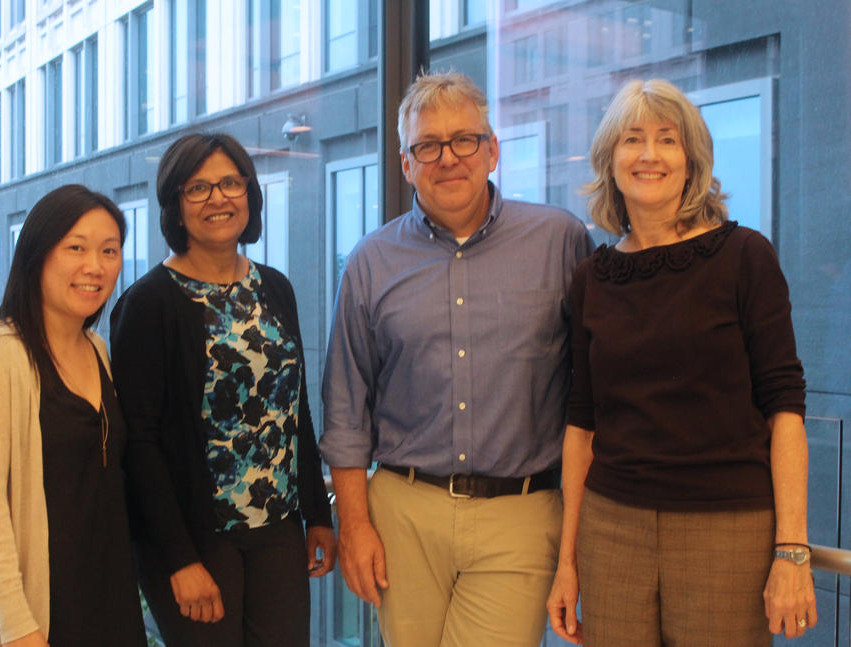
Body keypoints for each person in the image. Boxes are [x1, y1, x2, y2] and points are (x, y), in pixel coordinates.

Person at [319, 71, 594, 647]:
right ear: (406, 164)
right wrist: (355, 524)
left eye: (464, 140)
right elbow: (346, 407)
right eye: (428, 145)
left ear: (492, 151)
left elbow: (593, 389)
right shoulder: (370, 262)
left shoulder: (560, 242)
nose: (448, 158)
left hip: (520, 514)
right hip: (403, 513)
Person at [545, 78, 817, 647]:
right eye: (632, 139)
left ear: (691, 161)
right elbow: (582, 424)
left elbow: (786, 410)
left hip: (727, 530)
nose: (649, 155)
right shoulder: (592, 278)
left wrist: (792, 551)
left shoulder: (745, 258)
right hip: (610, 529)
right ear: (610, 160)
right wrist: (567, 562)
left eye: (667, 140)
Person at [110, 132, 336, 647]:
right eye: (198, 188)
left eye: (231, 183)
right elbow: (139, 444)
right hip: (195, 537)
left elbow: (294, 410)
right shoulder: (148, 304)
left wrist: (317, 514)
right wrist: (179, 559)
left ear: (249, 194)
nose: (218, 198)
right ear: (175, 204)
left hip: (278, 528)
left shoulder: (274, 287)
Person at [0, 185, 146, 647]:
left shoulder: (97, 349)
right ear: (37, 256)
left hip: (106, 593)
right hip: (33, 611)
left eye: (109, 251)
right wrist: (17, 625)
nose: (95, 266)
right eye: (76, 248)